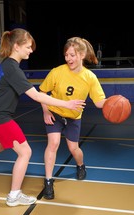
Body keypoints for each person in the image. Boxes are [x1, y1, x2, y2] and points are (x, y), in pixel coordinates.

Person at [0, 29, 86, 207]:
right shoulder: (12, 68)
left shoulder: (6, 65)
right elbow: (37, 96)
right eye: (28, 47)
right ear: (16, 46)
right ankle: (14, 195)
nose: (31, 50)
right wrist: (66, 104)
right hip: (1, 117)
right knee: (25, 152)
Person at [39, 37, 106, 200]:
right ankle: (48, 181)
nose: (68, 58)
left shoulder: (90, 77)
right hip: (55, 113)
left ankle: (80, 165)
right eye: (66, 55)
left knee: (73, 149)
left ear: (82, 55)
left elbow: (99, 102)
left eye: (72, 55)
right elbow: (42, 93)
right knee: (53, 143)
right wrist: (46, 111)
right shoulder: (57, 72)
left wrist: (112, 103)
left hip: (74, 118)